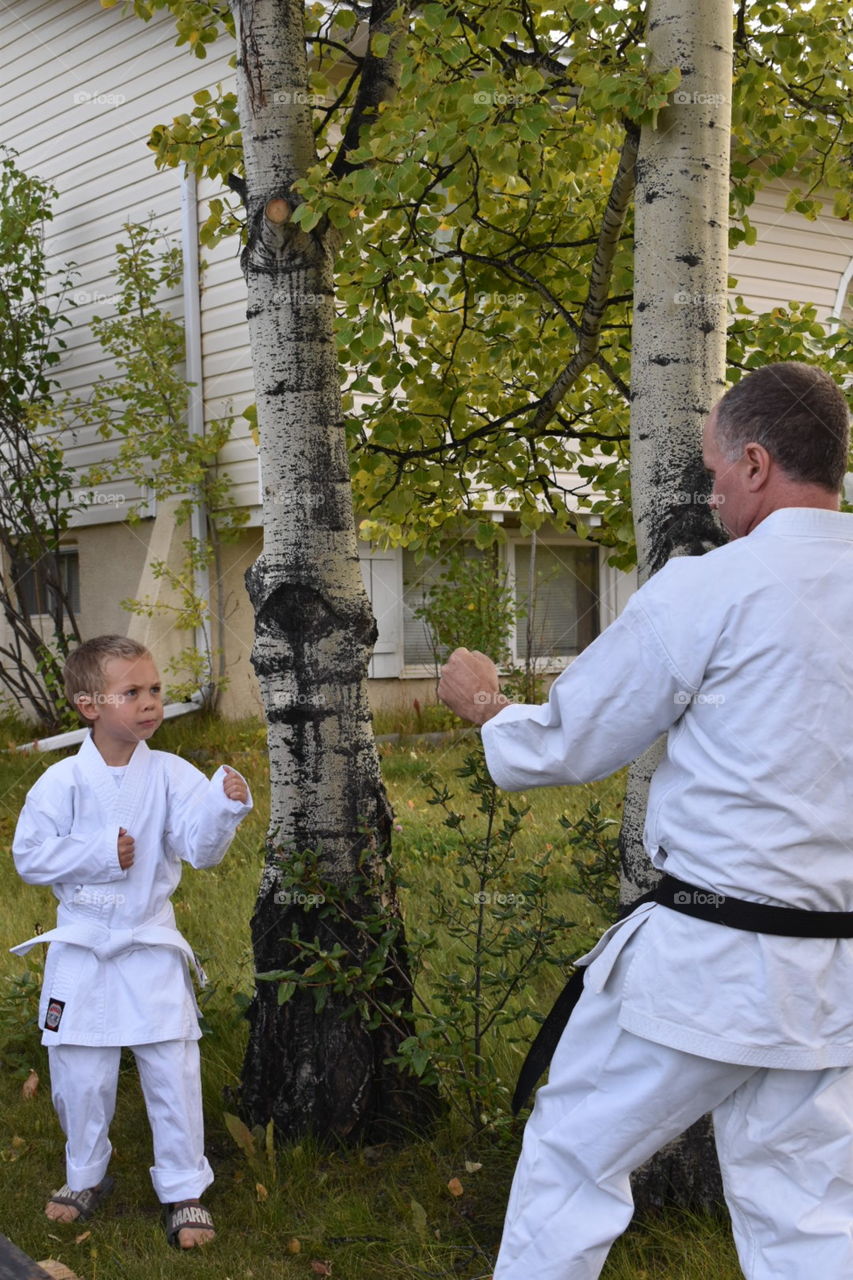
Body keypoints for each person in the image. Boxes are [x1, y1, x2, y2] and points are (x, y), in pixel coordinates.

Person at [438, 361, 853, 1280]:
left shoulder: (711, 588)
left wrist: (487, 708)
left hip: (708, 964)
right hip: (832, 977)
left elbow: (572, 740)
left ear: (754, 461)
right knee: (808, 1211)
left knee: (572, 1160)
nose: (711, 493)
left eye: (713, 470)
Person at [10, 636, 252, 1249]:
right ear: (89, 704)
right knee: (80, 1076)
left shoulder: (172, 774)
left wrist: (224, 809)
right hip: (84, 949)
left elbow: (200, 850)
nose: (150, 704)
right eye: (133, 692)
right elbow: (29, 857)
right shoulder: (59, 782)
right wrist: (98, 854)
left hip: (148, 944)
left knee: (172, 1069)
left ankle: (183, 1188)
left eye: (156, 690)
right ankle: (84, 1175)